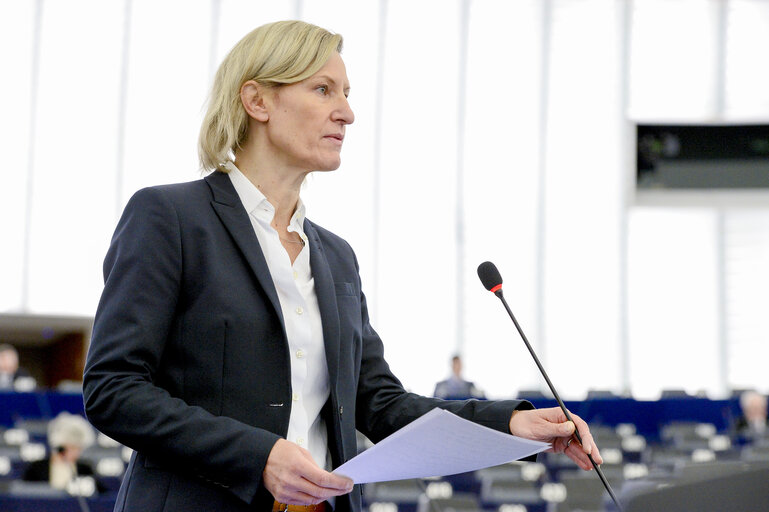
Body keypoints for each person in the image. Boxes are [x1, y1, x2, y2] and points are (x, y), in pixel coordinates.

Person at [83, 20, 602, 512]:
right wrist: (258, 455)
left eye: (347, 95)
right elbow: (114, 388)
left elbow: (379, 403)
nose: (347, 113)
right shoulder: (170, 217)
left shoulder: (335, 256)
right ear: (257, 100)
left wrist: (511, 425)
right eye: (324, 90)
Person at [23, 412, 103, 494]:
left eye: (79, 448)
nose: (76, 453)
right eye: (72, 448)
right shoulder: (36, 468)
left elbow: (101, 494)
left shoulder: (85, 469)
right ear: (60, 447)